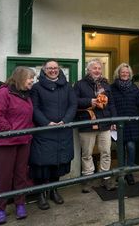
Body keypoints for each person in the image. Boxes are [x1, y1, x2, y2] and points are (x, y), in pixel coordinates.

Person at [30, 59, 77, 210]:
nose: (53, 70)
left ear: (59, 69)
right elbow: (34, 108)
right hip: (44, 131)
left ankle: (54, 190)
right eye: (49, 68)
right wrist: (46, 122)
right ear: (44, 70)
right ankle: (41, 194)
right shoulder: (36, 88)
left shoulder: (67, 86)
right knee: (42, 164)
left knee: (59, 163)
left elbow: (73, 105)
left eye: (55, 68)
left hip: (62, 130)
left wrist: (65, 120)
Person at [0, 66, 36, 225]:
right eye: (30, 77)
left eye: (33, 78)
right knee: (4, 176)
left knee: (21, 174)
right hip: (7, 142)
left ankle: (20, 204)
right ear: (21, 78)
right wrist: (10, 131)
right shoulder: (4, 93)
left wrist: (27, 131)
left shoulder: (26, 95)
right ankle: (0, 209)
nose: (32, 81)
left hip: (24, 141)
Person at [74, 58, 117, 193]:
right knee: (87, 153)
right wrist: (89, 101)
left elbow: (111, 104)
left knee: (106, 151)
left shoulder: (106, 84)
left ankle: (105, 177)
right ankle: (88, 178)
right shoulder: (80, 84)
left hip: (104, 123)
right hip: (87, 123)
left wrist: (114, 120)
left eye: (99, 68)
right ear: (88, 70)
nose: (97, 71)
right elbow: (74, 102)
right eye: (94, 68)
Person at [110, 63, 139, 185]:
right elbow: (111, 105)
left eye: (127, 72)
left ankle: (129, 172)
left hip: (131, 122)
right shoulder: (112, 88)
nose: (125, 74)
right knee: (120, 149)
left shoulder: (134, 87)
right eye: (122, 72)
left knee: (131, 147)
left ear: (130, 74)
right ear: (118, 74)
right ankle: (121, 173)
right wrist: (113, 120)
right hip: (119, 122)